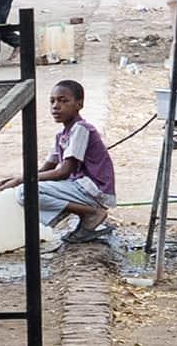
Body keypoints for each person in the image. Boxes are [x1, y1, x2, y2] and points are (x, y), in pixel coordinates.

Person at [42, 77, 122, 252]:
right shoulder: (62, 136)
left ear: (79, 104)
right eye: (52, 101)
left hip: (95, 190)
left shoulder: (81, 129)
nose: (56, 106)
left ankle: (91, 213)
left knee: (27, 191)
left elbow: (64, 171)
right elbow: (44, 169)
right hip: (81, 187)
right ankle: (84, 214)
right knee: (28, 187)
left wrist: (22, 181)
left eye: (64, 101)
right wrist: (14, 180)